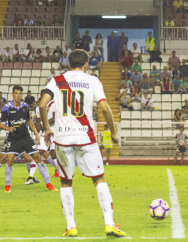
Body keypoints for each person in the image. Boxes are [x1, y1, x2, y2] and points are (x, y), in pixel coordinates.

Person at [39, 50, 126, 237]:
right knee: (99, 179)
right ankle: (109, 224)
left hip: (63, 139)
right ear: (86, 64)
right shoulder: (93, 80)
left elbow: (41, 105)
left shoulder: (57, 80)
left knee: (65, 182)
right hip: (86, 138)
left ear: (68, 63)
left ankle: (71, 226)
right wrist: (113, 132)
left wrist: (47, 128)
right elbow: (104, 107)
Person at [0, 85, 56, 193]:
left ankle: (48, 184)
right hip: (13, 138)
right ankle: (7, 187)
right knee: (9, 160)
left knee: (38, 158)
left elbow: (29, 120)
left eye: (20, 93)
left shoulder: (25, 106)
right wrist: (7, 127)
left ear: (22, 95)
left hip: (25, 137)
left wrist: (35, 133)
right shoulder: (6, 107)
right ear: (12, 94)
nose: (18, 95)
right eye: (16, 93)